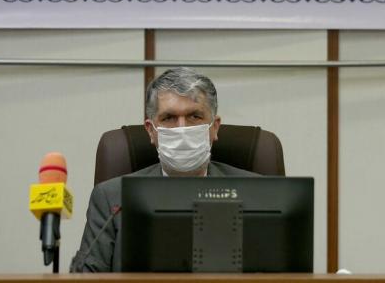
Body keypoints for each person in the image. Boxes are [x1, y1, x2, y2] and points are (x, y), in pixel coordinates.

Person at [69, 67, 256, 272]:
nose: (182, 128)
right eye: (169, 118)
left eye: (194, 116)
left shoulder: (255, 193)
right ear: (151, 131)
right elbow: (87, 276)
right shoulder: (112, 198)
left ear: (215, 127)